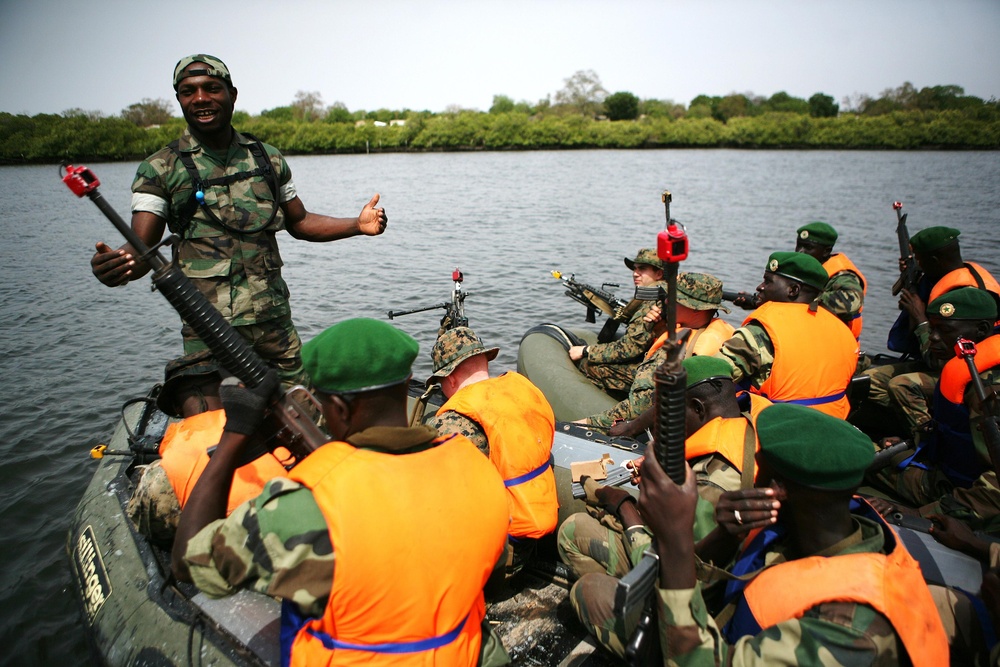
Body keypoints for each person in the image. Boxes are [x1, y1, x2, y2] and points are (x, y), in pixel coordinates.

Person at [171, 318, 511, 666]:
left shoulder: (307, 504)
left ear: (341, 409)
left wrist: (235, 433)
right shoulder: (476, 467)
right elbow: (490, 565)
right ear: (408, 383)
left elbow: (188, 562)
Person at [90, 54, 387, 388]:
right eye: (188, 92)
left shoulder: (267, 158)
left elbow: (300, 222)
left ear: (232, 94)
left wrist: (357, 225)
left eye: (211, 88)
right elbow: (143, 247)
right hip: (209, 329)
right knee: (218, 429)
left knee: (303, 410)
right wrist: (117, 265)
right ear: (179, 100)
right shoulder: (159, 168)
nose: (200, 98)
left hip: (274, 323)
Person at [638, 402, 948, 666]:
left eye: (758, 467)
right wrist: (725, 537)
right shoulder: (812, 529)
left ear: (777, 488)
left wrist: (675, 537)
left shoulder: (852, 629)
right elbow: (715, 596)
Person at [556, 356, 766, 658]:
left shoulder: (712, 485)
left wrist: (626, 509)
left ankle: (643, 625)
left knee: (583, 580)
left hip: (691, 607)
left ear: (697, 409)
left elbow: (677, 570)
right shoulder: (748, 428)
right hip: (724, 564)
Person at [426, 327, 558, 581]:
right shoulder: (523, 391)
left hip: (496, 560)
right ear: (485, 361)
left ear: (450, 379)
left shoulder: (453, 424)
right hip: (528, 538)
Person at [871, 287, 1000, 507]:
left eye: (944, 330)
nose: (933, 338)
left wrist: (924, 516)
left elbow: (994, 489)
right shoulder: (974, 369)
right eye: (931, 329)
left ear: (982, 329)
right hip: (947, 467)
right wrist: (918, 442)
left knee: (854, 454)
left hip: (954, 492)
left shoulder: (985, 389)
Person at [866, 226, 1000, 436]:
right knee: (870, 381)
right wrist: (915, 276)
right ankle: (910, 418)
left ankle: (929, 434)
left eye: (920, 260)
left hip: (966, 369)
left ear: (935, 261)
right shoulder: (955, 274)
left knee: (899, 386)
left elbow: (937, 360)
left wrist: (920, 320)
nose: (917, 264)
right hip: (947, 360)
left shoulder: (965, 296)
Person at [581, 272, 735, 431]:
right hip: (692, 411)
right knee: (595, 369)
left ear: (696, 308)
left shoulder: (675, 351)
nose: (667, 301)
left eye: (675, 299)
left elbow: (638, 408)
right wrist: (658, 329)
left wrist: (587, 423)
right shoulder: (716, 331)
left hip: (657, 425)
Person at [715, 251, 859, 419]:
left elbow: (710, 377)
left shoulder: (761, 331)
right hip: (832, 427)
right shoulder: (842, 330)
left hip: (776, 431)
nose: (759, 287)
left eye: (768, 281)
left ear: (793, 290)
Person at [567, 248, 667, 394]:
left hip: (653, 370)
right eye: (634, 269)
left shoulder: (652, 302)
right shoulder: (663, 293)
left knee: (587, 365)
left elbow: (630, 348)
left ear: (659, 273)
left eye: (642, 269)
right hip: (659, 360)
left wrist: (586, 350)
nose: (635, 273)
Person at [794, 221, 866, 339]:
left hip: (836, 343)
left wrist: (806, 299)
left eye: (808, 247)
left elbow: (853, 300)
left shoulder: (842, 275)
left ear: (826, 251)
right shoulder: (805, 268)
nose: (800, 252)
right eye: (799, 245)